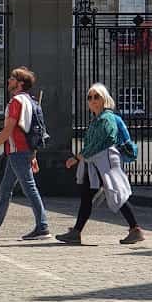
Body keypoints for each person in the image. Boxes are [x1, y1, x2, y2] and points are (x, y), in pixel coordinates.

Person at [57, 83, 145, 245]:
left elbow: (108, 139)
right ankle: (76, 232)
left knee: (115, 194)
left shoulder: (107, 118)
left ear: (104, 99)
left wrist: (78, 157)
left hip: (105, 161)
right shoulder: (96, 120)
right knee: (88, 195)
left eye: (96, 96)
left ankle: (135, 229)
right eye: (89, 97)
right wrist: (82, 156)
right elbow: (92, 143)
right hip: (95, 162)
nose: (92, 100)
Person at [0, 67, 50, 241]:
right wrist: (33, 154)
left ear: (20, 83)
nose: (9, 80)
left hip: (18, 151)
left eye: (12, 78)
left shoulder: (16, 102)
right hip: (22, 151)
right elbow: (34, 130)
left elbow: (8, 129)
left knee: (29, 188)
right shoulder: (31, 101)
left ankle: (42, 226)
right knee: (5, 188)